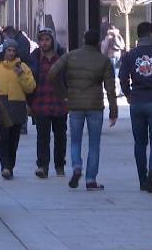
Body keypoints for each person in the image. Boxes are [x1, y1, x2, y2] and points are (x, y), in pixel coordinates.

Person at [50, 30, 119, 190]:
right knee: (94, 144)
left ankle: (76, 167)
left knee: (75, 140)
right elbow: (110, 88)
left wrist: (63, 94)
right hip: (95, 105)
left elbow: (52, 73)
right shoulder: (104, 60)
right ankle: (90, 180)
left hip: (75, 104)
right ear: (98, 43)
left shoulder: (70, 56)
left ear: (83, 40)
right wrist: (113, 111)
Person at [119, 21, 152, 193]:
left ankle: (143, 179)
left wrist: (129, 94)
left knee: (140, 142)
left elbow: (122, 78)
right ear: (151, 34)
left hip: (137, 102)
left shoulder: (130, 55)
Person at [0, 39, 35, 179]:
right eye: (8, 50)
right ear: (4, 51)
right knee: (1, 139)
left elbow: (30, 87)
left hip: (17, 106)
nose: (11, 53)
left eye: (13, 50)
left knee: (13, 141)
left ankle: (10, 166)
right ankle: (5, 166)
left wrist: (21, 74)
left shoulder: (23, 68)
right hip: (1, 106)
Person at [30, 29, 67, 178]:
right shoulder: (35, 58)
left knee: (60, 136)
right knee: (42, 136)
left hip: (59, 102)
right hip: (41, 102)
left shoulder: (62, 57)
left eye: (47, 40)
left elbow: (68, 78)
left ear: (53, 40)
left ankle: (59, 165)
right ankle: (42, 166)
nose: (44, 43)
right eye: (42, 40)